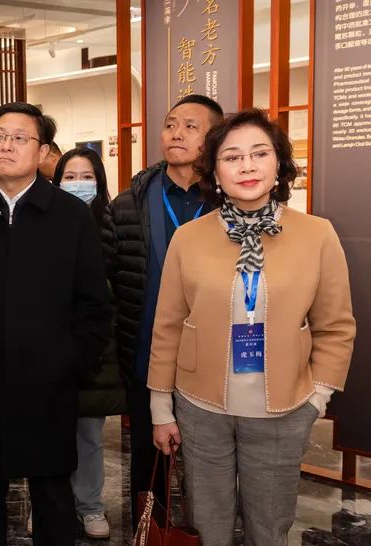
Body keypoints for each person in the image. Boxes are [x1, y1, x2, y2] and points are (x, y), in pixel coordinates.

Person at [149, 108, 355, 545]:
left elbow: (336, 326)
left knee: (270, 525)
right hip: (200, 406)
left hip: (283, 407)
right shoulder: (189, 237)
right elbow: (168, 326)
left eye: (259, 153)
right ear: (215, 171)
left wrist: (317, 397)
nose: (247, 166)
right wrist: (161, 408)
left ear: (278, 163)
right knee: (209, 523)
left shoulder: (317, 234)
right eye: (232, 157)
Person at [0, 103, 110, 546]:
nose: (6, 146)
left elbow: (94, 304)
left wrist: (69, 363)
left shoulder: (71, 216)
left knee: (53, 498)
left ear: (43, 151)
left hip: (48, 387)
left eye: (20, 138)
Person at [101, 94, 225, 520]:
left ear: (214, 138)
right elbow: (107, 283)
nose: (176, 133)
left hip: (213, 362)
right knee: (147, 462)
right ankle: (148, 531)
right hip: (145, 354)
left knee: (210, 470)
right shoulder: (128, 204)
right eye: (171, 124)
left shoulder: (229, 205)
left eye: (191, 126)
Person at [50, 147, 120, 539]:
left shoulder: (110, 224)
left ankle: (90, 506)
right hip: (48, 348)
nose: (79, 184)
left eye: (87, 177)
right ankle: (49, 504)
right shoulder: (43, 222)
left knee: (90, 434)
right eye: (70, 177)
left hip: (96, 351)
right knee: (47, 431)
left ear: (100, 181)